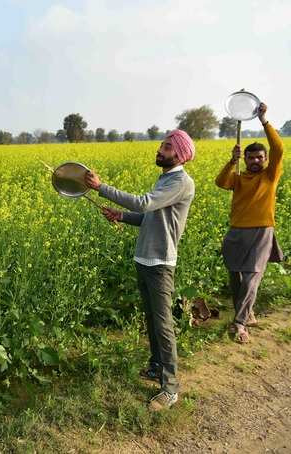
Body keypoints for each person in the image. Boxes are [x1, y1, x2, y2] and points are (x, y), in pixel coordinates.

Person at [84, 130, 196, 411]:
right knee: (151, 320)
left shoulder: (181, 181)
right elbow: (150, 216)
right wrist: (121, 215)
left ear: (180, 153)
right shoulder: (167, 178)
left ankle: (170, 389)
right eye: (161, 144)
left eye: (167, 147)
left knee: (163, 324)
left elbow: (145, 202)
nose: (160, 149)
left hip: (160, 263)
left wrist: (101, 187)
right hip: (145, 259)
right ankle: (157, 367)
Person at [215, 102, 284, 344]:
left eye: (260, 157)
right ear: (245, 158)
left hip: (262, 231)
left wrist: (264, 120)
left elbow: (278, 148)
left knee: (253, 275)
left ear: (265, 159)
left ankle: (240, 323)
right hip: (237, 232)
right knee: (235, 276)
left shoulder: (270, 175)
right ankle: (247, 313)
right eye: (251, 157)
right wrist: (230, 162)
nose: (256, 160)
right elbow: (221, 183)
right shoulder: (239, 177)